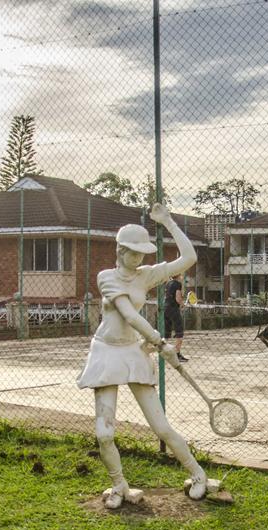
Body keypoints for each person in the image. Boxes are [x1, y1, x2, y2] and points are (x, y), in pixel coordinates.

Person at [76, 203, 209, 509]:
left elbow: (189, 258)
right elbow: (129, 315)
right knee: (104, 433)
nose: (137, 259)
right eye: (132, 252)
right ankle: (119, 485)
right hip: (106, 352)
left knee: (160, 427)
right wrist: (161, 343)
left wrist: (168, 222)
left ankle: (198, 474)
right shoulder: (106, 276)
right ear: (119, 251)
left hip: (133, 352)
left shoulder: (146, 275)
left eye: (141, 254)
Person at [164, 273, 188, 362]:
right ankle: (177, 354)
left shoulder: (168, 283)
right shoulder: (178, 284)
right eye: (181, 275)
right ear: (178, 276)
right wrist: (182, 304)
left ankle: (163, 352)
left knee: (166, 331)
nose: (182, 277)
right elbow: (178, 298)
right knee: (179, 331)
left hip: (165, 308)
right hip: (173, 309)